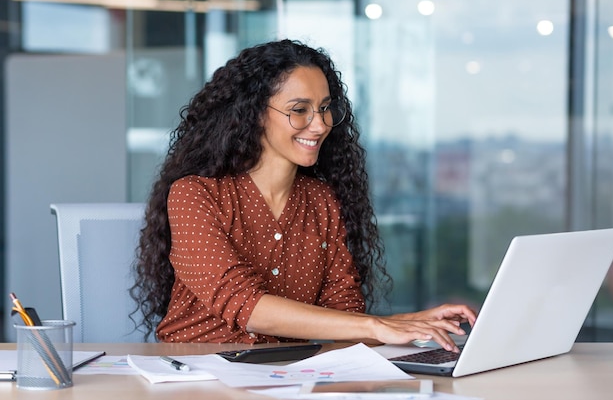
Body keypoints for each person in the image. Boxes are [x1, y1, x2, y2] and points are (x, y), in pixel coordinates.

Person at [130, 39, 476, 351]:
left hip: (286, 377)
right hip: (195, 376)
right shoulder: (195, 194)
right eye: (300, 110)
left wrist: (412, 323)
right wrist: (378, 325)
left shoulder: (322, 201)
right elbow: (245, 305)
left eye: (325, 108)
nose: (320, 124)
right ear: (253, 114)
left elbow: (343, 315)